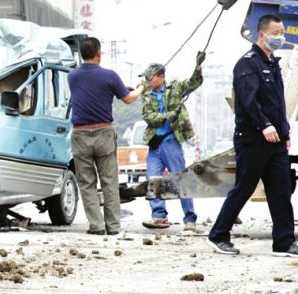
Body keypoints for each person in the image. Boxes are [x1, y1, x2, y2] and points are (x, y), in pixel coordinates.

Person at [208, 15, 298, 256]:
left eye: (282, 33)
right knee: (244, 188)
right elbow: (248, 101)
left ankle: (284, 242)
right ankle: (218, 235)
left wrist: (284, 132)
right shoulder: (247, 64)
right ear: (261, 35)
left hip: (276, 141)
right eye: (276, 33)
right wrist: (264, 125)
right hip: (253, 139)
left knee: (280, 190)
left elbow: (277, 103)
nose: (281, 37)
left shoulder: (272, 63)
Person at [68, 37, 145, 235]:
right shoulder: (110, 76)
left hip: (80, 134)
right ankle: (113, 226)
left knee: (86, 183)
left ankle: (96, 226)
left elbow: (89, 91)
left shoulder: (72, 76)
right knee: (109, 181)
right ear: (99, 53)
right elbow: (128, 99)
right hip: (104, 133)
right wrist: (141, 88)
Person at [139, 53, 204, 231]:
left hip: (171, 142)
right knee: (153, 180)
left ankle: (190, 219)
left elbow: (193, 83)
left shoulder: (175, 88)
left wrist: (197, 68)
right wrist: (168, 115)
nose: (147, 80)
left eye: (150, 77)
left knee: (181, 179)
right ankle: (159, 216)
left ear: (161, 77)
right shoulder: (146, 95)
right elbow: (149, 117)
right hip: (154, 144)